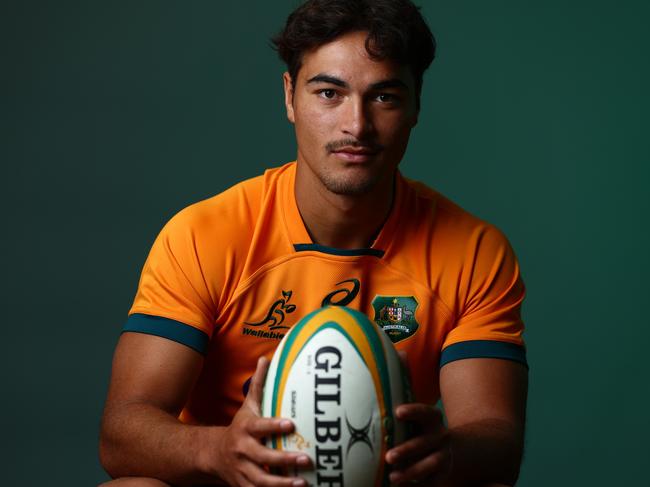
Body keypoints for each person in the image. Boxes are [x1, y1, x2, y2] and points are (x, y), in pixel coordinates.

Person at [99, 0, 528, 485]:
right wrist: (220, 449)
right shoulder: (204, 235)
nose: (357, 126)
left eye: (384, 97)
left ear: (416, 104)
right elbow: (120, 435)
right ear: (290, 96)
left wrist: (444, 451)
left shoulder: (474, 251)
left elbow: (497, 440)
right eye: (329, 93)